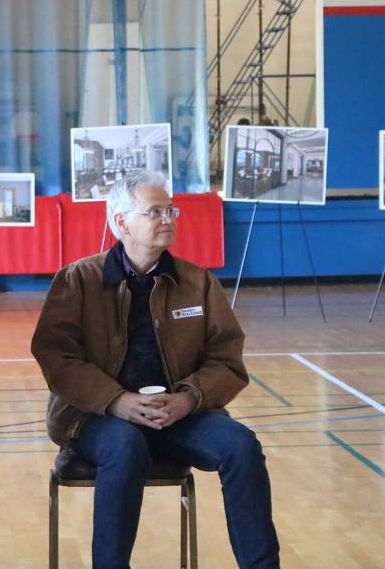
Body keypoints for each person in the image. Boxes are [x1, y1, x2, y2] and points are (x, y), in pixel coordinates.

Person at [31, 171, 279, 569]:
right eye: (154, 212)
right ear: (121, 222)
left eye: (171, 210)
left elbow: (226, 358)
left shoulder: (198, 283)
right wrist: (115, 401)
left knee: (240, 445)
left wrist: (189, 398)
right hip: (95, 417)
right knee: (125, 446)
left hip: (180, 413)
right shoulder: (78, 280)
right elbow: (57, 357)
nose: (168, 218)